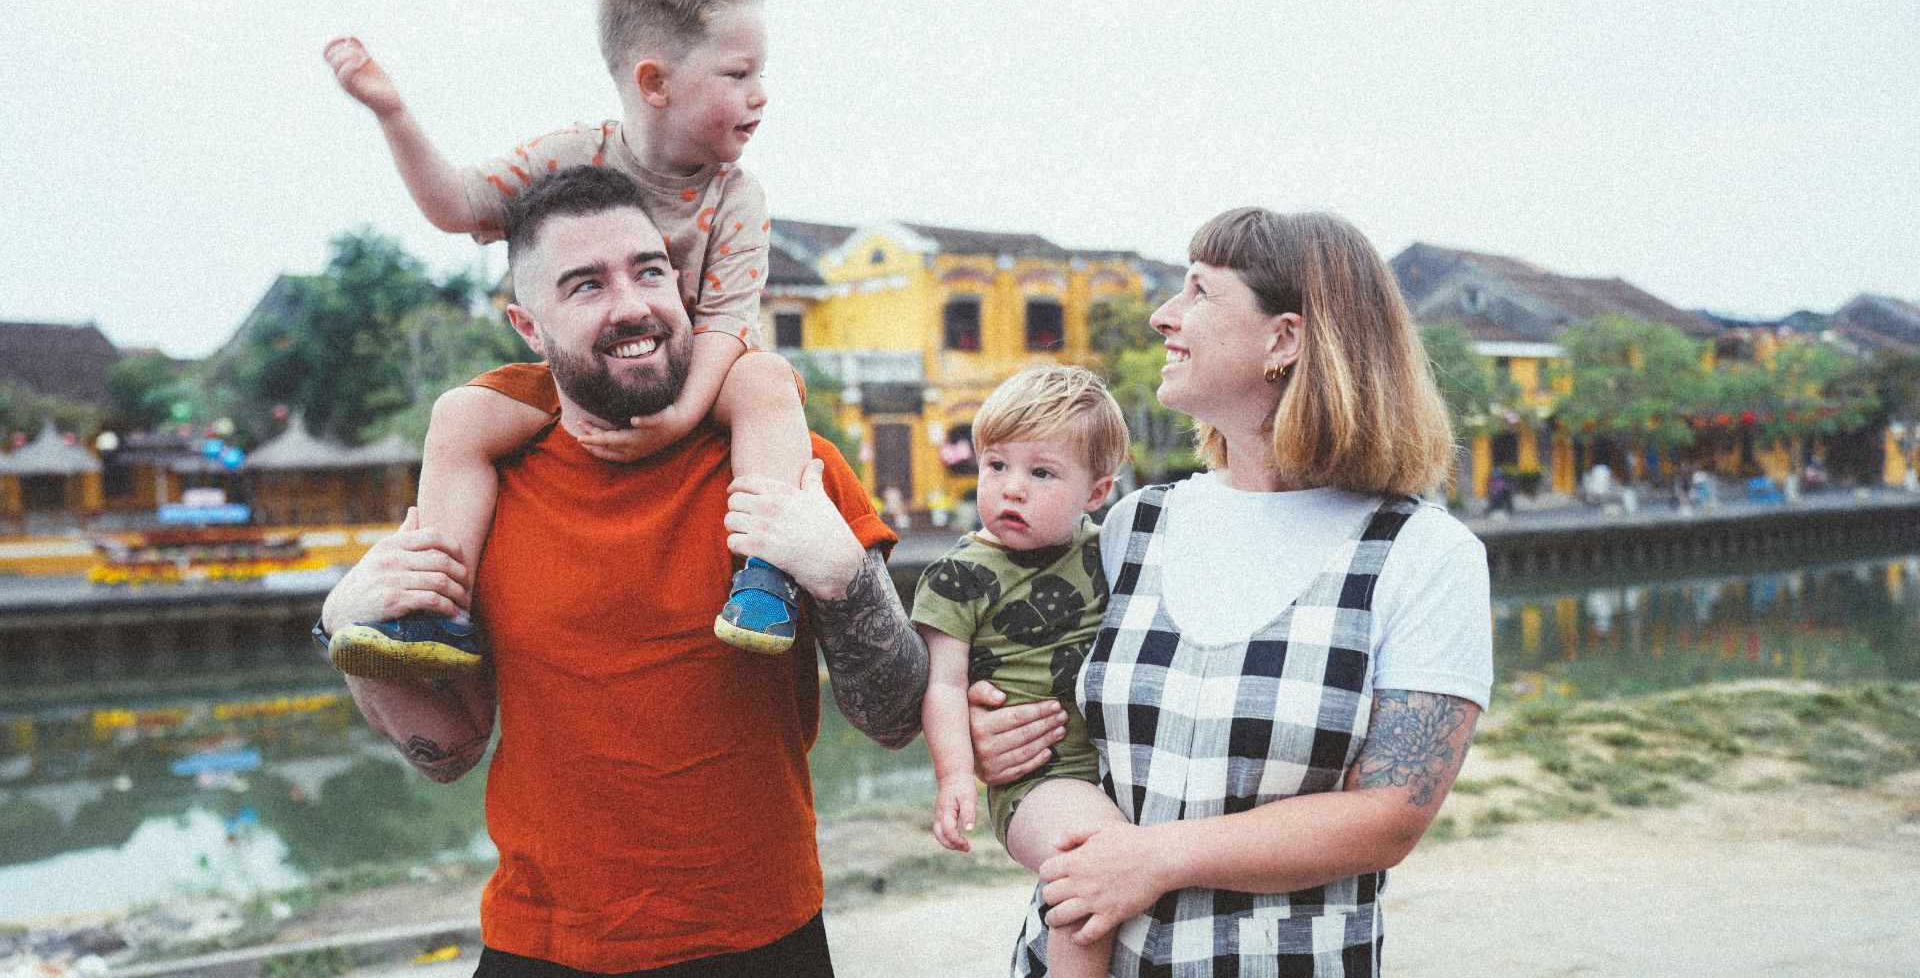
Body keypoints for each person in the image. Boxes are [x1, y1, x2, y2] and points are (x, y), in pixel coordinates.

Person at [315, 166, 928, 977]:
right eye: (587, 285)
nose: (632, 304)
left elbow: (894, 721)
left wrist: (843, 575)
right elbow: (451, 751)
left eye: (649, 271)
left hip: (761, 937)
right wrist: (344, 629)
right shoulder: (487, 490)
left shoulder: (786, 467)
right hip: (544, 942)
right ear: (529, 328)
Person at [968, 208, 1492, 977]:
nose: (1163, 316)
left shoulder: (1425, 556)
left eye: (1199, 292)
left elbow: (1389, 818)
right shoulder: (1131, 527)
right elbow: (1043, 713)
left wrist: (1158, 858)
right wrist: (1000, 731)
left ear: (1284, 339)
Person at [322, 0, 811, 676]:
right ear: (655, 82)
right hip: (583, 376)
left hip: (696, 370)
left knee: (767, 380)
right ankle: (437, 604)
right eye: (739, 75)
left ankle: (768, 576)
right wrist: (391, 111)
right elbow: (457, 205)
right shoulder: (573, 154)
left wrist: (678, 417)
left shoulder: (736, 196)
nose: (761, 94)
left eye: (760, 73)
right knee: (460, 415)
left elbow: (727, 324)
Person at [913, 364, 1131, 978]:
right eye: (996, 465)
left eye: (1042, 473)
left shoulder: (1108, 547)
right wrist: (956, 774)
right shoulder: (959, 576)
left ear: (1096, 492)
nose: (1011, 490)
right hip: (1039, 779)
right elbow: (944, 684)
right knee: (1085, 860)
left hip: (1122, 768)